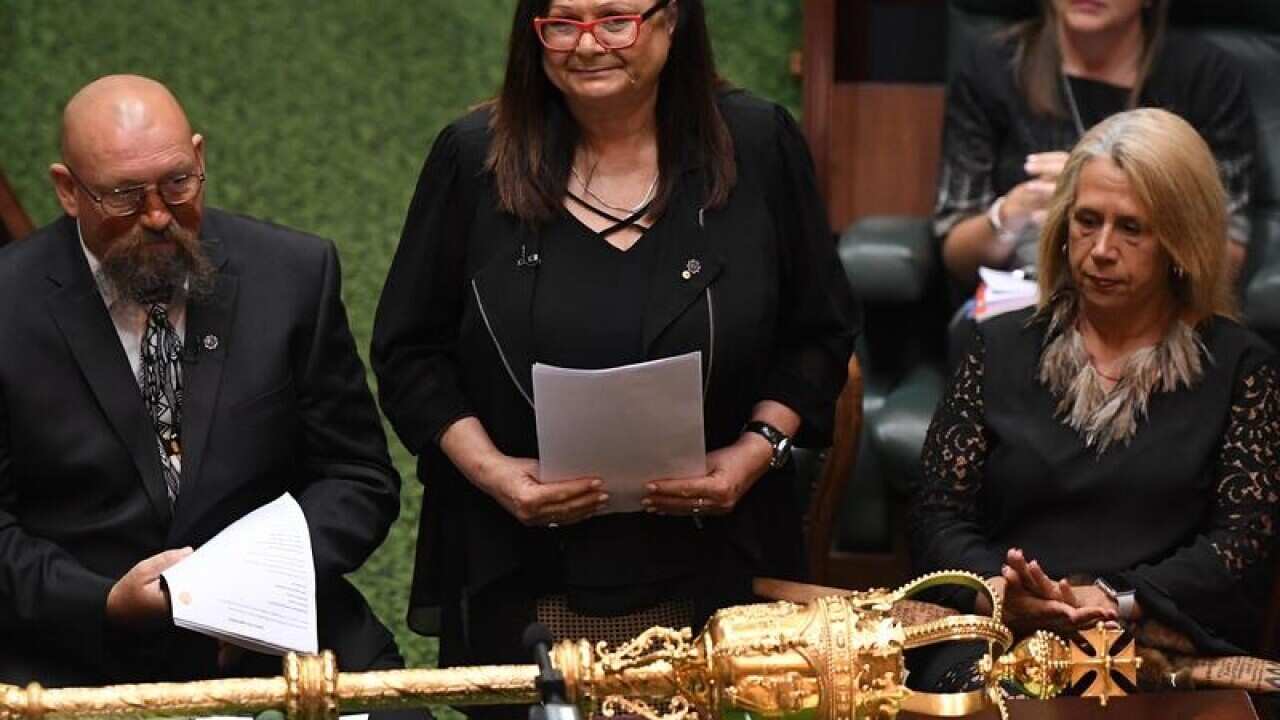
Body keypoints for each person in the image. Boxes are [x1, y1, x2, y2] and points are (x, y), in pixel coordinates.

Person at [371, 0, 858, 690]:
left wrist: (753, 454)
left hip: (720, 558)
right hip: (520, 561)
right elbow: (409, 352)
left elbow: (820, 331)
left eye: (614, 19)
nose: (588, 45)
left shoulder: (757, 142)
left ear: (671, 22)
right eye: (563, 23)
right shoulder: (471, 156)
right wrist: (494, 473)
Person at [0, 75, 417, 704]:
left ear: (199, 157)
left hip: (274, 621)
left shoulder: (293, 275)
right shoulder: (8, 305)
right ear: (67, 190)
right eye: (124, 196)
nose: (159, 216)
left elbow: (359, 476)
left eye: (177, 182)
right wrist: (106, 601)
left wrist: (247, 588)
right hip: (73, 636)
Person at [910, 108, 1279, 690]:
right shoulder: (996, 345)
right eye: (1087, 221)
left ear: (1180, 241)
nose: (1102, 249)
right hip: (1001, 636)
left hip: (1156, 641)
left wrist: (1111, 598)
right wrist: (1003, 593)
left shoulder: (1239, 367)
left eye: (1132, 228)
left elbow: (1242, 544)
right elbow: (939, 518)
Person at [935, 0, 1256, 290]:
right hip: (1025, 298)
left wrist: (1120, 197)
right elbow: (958, 255)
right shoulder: (993, 67)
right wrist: (1012, 212)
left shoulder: (1206, 78)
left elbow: (1226, 258)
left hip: (1156, 305)